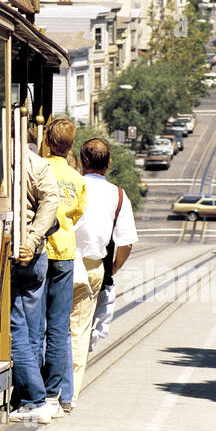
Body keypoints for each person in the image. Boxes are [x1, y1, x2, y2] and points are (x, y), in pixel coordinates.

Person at [72, 137, 137, 392]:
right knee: (80, 331)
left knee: (54, 328)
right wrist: (112, 269)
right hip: (93, 267)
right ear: (109, 164)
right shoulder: (117, 195)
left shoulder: (71, 187)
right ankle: (70, 392)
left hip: (61, 261)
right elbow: (126, 243)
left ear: (81, 162)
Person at [8, 145, 61, 422]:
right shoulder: (39, 165)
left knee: (15, 330)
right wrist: (33, 240)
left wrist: (25, 242)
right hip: (37, 253)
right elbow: (51, 203)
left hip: (17, 254)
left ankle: (32, 398)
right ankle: (29, 396)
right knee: (33, 332)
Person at [42, 116, 87, 414]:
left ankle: (34, 387)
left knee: (36, 325)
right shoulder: (77, 178)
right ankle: (55, 390)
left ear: (46, 140)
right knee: (59, 327)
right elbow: (78, 213)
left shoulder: (39, 168)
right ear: (71, 144)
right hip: (65, 252)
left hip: (41, 249)